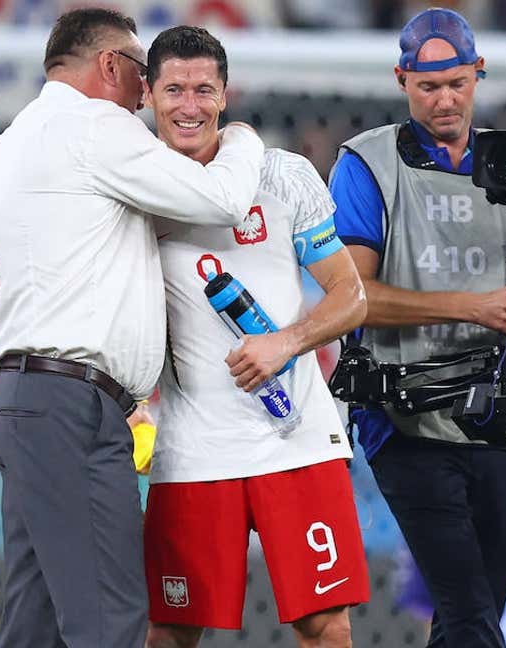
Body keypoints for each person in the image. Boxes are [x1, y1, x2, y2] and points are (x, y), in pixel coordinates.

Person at [0, 8, 265, 647]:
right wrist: (244, 138)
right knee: (109, 623)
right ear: (110, 66)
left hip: (25, 402)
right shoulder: (97, 125)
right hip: (72, 408)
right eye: (141, 70)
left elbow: (4, 255)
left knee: (32, 624)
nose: (145, 89)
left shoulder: (14, 138)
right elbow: (220, 200)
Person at [328, 8, 506, 647]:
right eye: (428, 87)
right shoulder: (368, 163)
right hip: (404, 416)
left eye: (457, 83)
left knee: (468, 618)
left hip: (501, 417)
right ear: (401, 80)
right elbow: (353, 295)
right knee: (472, 613)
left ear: (479, 73)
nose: (445, 99)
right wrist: (471, 306)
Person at [126, 27, 369, 647]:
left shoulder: (283, 175)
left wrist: (285, 342)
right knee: (173, 628)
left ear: (225, 95)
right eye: (174, 88)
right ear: (148, 94)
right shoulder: (127, 191)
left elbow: (351, 294)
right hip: (191, 449)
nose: (189, 104)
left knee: (325, 624)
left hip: (297, 443)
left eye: (203, 89)